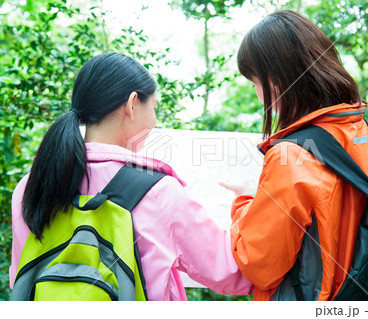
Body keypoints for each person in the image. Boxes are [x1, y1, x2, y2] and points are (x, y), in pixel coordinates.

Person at [10, 52, 253, 300]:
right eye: (154, 107)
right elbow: (236, 272)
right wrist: (246, 202)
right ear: (132, 104)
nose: (155, 120)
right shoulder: (158, 192)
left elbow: (21, 278)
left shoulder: (30, 186)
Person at [220, 10, 368, 301]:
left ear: (275, 81)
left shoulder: (290, 158)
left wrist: (245, 201)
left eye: (254, 83)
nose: (258, 96)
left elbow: (260, 266)